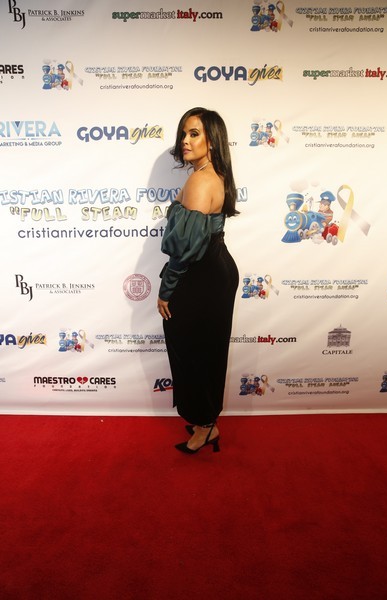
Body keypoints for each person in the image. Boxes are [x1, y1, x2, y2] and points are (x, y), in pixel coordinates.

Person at [157, 107, 239, 455]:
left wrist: (166, 289)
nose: (185, 141)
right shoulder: (213, 174)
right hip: (213, 271)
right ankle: (207, 420)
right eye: (184, 134)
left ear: (212, 141)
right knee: (205, 348)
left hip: (201, 276)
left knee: (193, 349)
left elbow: (184, 250)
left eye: (194, 134)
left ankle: (205, 426)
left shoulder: (200, 181)